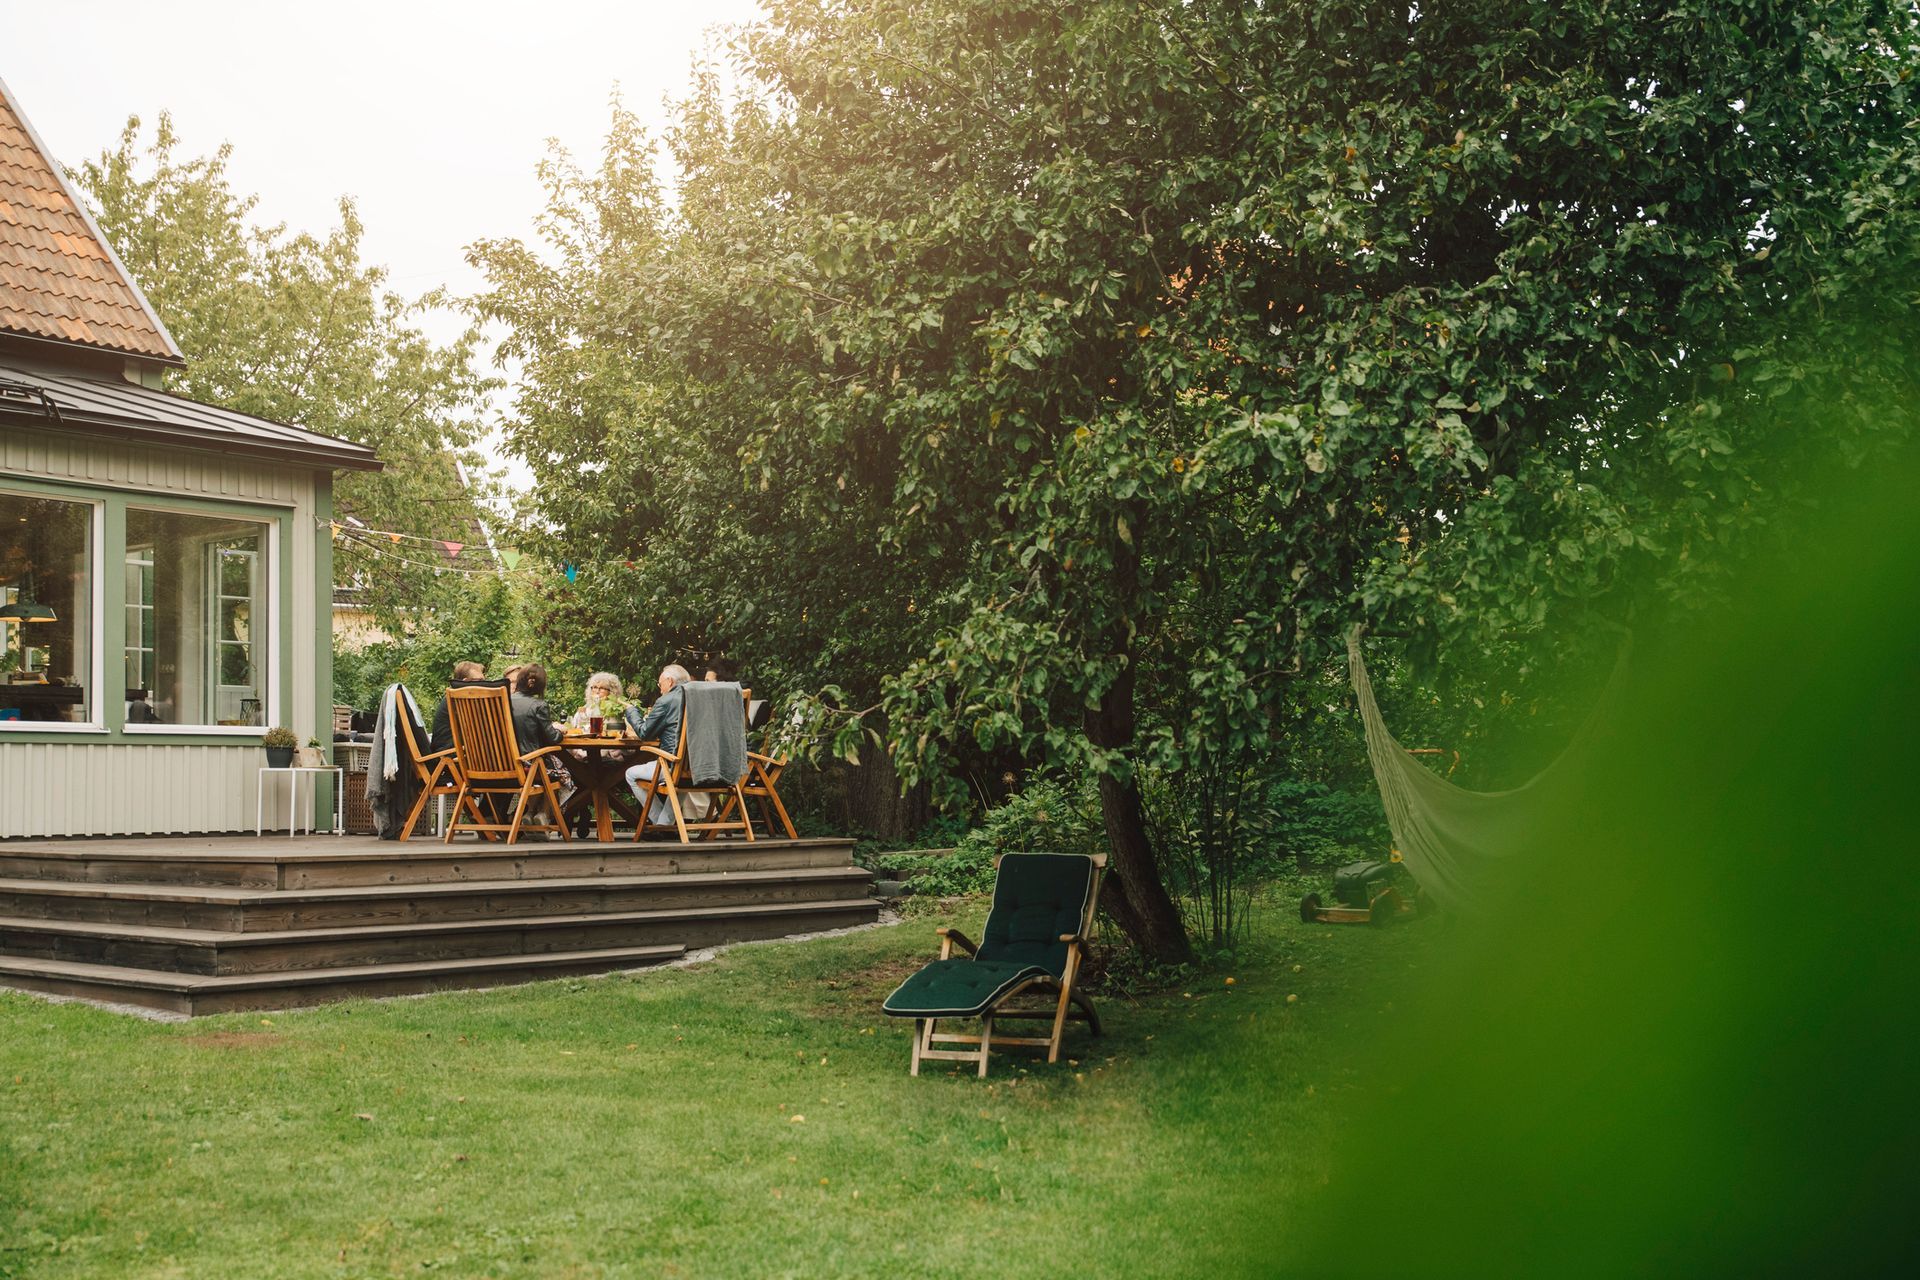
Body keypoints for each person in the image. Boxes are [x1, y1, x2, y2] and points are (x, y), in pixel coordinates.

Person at [624, 663, 692, 828]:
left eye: (660, 684)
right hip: (702, 766)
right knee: (684, 775)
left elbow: (645, 733)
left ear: (669, 681)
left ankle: (660, 824)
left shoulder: (666, 700)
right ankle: (665, 824)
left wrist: (631, 711)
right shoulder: (701, 699)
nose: (660, 689)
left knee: (630, 774)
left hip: (671, 763)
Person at [429, 660, 503, 753]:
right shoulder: (460, 700)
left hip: (459, 753)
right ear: (465, 682)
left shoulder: (454, 697)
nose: (484, 685)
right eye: (480, 681)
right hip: (449, 757)